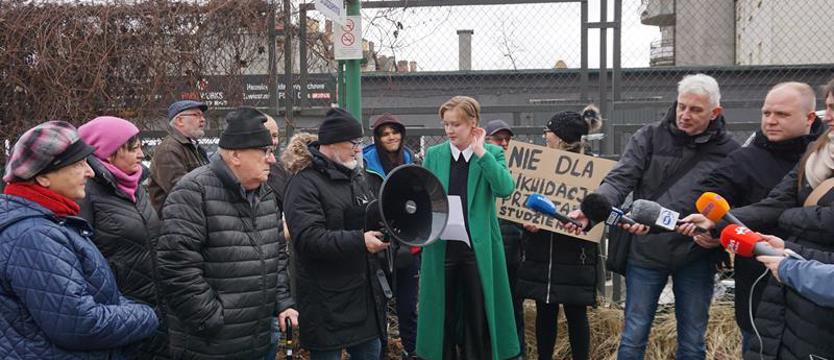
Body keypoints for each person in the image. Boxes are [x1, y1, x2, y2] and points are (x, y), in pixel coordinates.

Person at [565, 74, 739, 359]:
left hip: (696, 255)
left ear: (714, 112)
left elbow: (734, 204)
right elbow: (621, 178)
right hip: (646, 252)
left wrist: (716, 234)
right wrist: (594, 207)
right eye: (682, 106)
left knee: (693, 339)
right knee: (633, 335)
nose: (685, 115)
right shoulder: (649, 135)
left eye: (695, 110)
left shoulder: (729, 152)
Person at [681, 78, 834, 359]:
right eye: (767, 113)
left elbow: (792, 211)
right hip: (777, 277)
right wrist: (718, 222)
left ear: (808, 118)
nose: (771, 121)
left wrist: (790, 218)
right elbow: (775, 203)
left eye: (782, 114)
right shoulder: (815, 153)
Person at [0, 121, 158, 359]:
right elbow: (79, 324)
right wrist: (147, 315)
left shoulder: (51, 221)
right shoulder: (34, 236)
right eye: (79, 164)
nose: (90, 172)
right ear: (43, 178)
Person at [156, 107, 297, 359]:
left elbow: (277, 255)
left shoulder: (264, 194)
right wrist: (212, 319)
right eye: (264, 152)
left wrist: (282, 303)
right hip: (211, 345)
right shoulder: (192, 192)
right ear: (235, 156)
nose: (272, 160)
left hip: (258, 339)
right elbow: (176, 268)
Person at [415, 96, 519, 360]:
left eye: (456, 124)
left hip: (478, 246)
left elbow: (504, 188)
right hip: (442, 244)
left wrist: (481, 151)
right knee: (443, 310)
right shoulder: (435, 155)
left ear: (473, 124)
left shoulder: (492, 153)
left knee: (477, 311)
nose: (449, 130)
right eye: (446, 124)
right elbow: (424, 196)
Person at [283, 108, 389, 360]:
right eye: (353, 142)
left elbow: (365, 218)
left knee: (370, 352)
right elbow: (308, 239)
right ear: (331, 143)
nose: (358, 149)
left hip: (362, 297)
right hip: (324, 301)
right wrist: (360, 241)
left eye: (360, 142)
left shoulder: (355, 177)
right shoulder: (303, 184)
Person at [77, 116, 172, 359]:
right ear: (108, 153)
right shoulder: (85, 194)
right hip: (120, 313)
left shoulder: (135, 187)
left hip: (157, 306)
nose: (141, 154)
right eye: (133, 148)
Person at [517, 107, 602, 360]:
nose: (545, 135)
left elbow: (597, 213)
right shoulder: (539, 163)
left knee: (576, 313)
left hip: (575, 254)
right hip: (542, 250)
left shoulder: (592, 169)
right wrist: (528, 220)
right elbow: (525, 200)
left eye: (549, 131)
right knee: (545, 310)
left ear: (562, 137)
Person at [362, 113, 420, 359]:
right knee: (379, 304)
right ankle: (382, 349)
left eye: (394, 132)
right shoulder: (364, 163)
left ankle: (412, 348)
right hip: (379, 242)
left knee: (408, 305)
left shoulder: (413, 161)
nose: (391, 137)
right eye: (384, 133)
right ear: (377, 137)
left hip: (408, 243)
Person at [483, 118, 526, 357]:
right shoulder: (483, 162)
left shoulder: (524, 165)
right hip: (489, 243)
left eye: (507, 139)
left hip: (514, 246)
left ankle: (515, 352)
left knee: (513, 304)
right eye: (498, 139)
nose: (504, 143)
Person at [148, 100, 210, 213]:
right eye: (196, 115)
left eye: (202, 115)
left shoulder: (193, 147)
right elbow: (181, 190)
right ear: (180, 120)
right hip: (175, 222)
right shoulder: (169, 150)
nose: (203, 120)